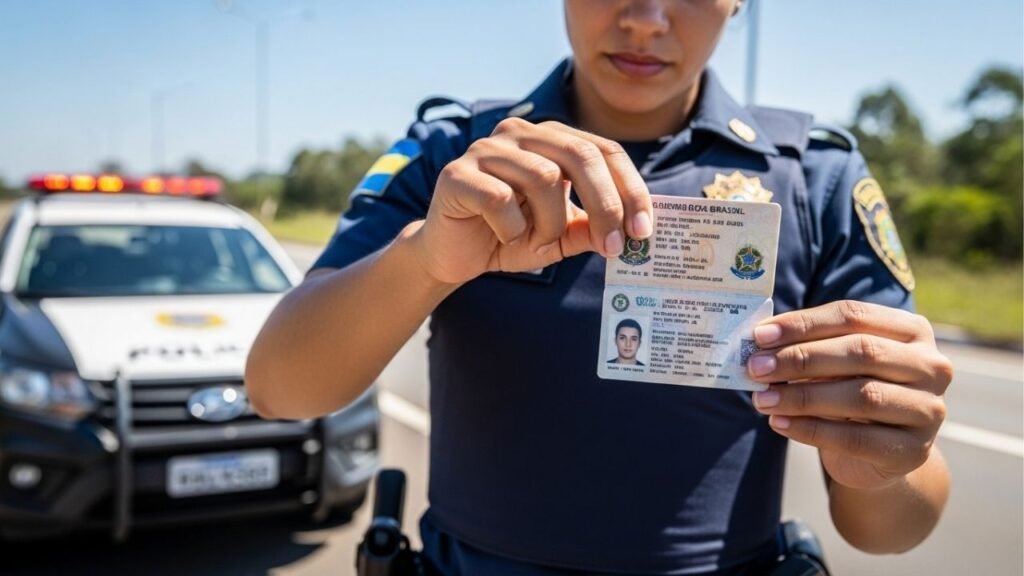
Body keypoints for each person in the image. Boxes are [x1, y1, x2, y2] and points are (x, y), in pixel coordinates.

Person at [246, 1, 953, 574]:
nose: (646, 18)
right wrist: (426, 258)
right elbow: (280, 388)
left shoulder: (812, 178)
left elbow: (895, 528)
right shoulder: (456, 157)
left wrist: (883, 463)